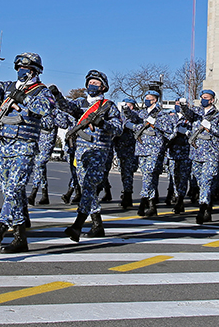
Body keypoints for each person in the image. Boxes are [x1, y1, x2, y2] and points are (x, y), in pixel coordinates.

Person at [0, 53, 54, 259]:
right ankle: (20, 238)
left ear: (35, 70)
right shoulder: (8, 87)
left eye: (26, 68)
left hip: (24, 146)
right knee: (11, 192)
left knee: (15, 189)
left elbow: (44, 108)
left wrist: (23, 98)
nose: (21, 71)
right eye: (19, 67)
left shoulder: (42, 91)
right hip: (5, 146)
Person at [59, 70, 122, 242]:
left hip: (99, 151)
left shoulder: (108, 106)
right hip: (80, 151)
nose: (92, 85)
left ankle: (77, 225)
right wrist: (57, 97)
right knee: (86, 187)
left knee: (88, 185)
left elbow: (118, 129)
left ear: (103, 87)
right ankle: (97, 225)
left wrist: (103, 123)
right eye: (90, 82)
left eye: (96, 83)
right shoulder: (80, 103)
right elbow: (67, 108)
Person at [187, 89, 219, 224]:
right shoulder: (196, 113)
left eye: (206, 97)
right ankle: (208, 204)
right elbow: (188, 114)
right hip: (196, 152)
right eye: (202, 97)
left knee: (206, 180)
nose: (203, 99)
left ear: (212, 100)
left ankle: (203, 209)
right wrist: (183, 107)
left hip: (211, 153)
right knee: (200, 182)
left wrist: (210, 128)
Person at [132, 90, 172, 217]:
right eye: (146, 98)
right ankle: (152, 204)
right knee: (149, 176)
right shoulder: (142, 113)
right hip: (142, 148)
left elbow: (169, 130)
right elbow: (137, 126)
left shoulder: (161, 114)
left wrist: (156, 123)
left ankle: (143, 201)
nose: (146, 100)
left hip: (155, 148)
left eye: (149, 98)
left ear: (155, 100)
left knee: (149, 173)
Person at [113, 97, 139, 210]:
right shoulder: (119, 116)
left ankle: (128, 195)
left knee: (128, 173)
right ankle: (126, 193)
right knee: (124, 172)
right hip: (121, 148)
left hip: (130, 149)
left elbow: (133, 121)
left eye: (127, 105)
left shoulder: (135, 115)